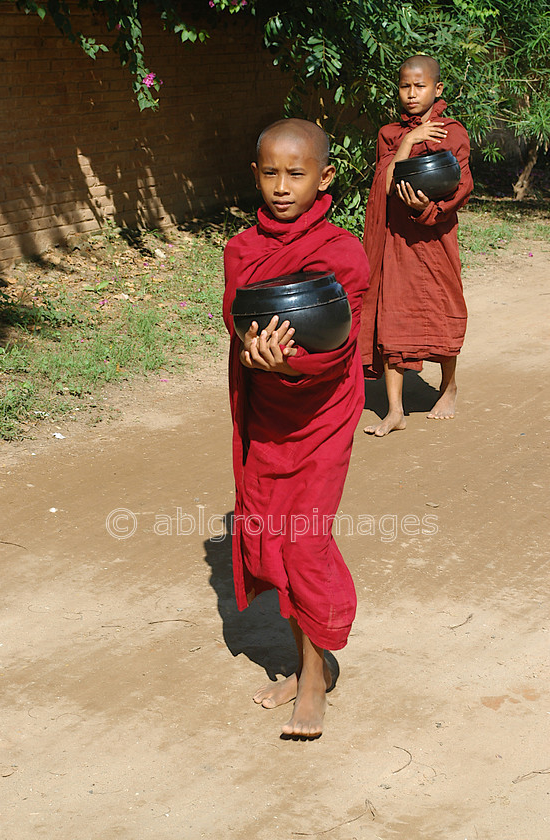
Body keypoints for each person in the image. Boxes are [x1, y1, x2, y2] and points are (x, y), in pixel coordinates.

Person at [222, 118, 370, 737]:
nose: (282, 187)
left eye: (297, 173)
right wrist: (254, 353)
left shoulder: (342, 252)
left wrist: (294, 363)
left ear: (324, 177)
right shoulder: (242, 250)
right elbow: (240, 319)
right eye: (271, 173)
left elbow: (340, 344)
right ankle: (307, 662)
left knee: (305, 543)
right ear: (256, 174)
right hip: (266, 416)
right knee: (270, 542)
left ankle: (314, 676)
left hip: (323, 414)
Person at [359, 54, 474, 436]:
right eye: (405, 86)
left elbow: (463, 185)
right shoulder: (390, 134)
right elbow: (387, 184)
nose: (411, 94)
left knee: (443, 309)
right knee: (391, 316)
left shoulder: (452, 132)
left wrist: (433, 208)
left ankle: (449, 385)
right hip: (398, 240)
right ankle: (395, 410)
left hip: (436, 237)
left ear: (437, 89)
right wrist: (409, 140)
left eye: (419, 86)